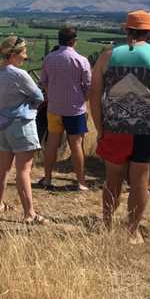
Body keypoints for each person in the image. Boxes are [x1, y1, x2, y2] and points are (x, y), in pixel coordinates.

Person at [88, 10, 150, 243]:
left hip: (115, 128)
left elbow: (95, 94)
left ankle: (106, 223)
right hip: (148, 130)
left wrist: (100, 128)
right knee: (140, 181)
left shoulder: (107, 57)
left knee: (112, 179)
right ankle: (132, 231)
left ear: (126, 30)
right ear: (149, 32)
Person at [0, 36, 46, 223]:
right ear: (13, 54)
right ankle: (29, 213)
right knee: (24, 170)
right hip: (21, 124)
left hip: (3, 123)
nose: (25, 55)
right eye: (23, 52)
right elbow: (38, 96)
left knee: (3, 167)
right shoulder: (20, 74)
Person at [39, 26, 91, 191]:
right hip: (75, 109)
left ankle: (47, 178)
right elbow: (88, 86)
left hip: (54, 108)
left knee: (52, 143)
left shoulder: (49, 58)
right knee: (76, 144)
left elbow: (44, 81)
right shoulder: (81, 60)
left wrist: (51, 94)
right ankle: (81, 182)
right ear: (72, 41)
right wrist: (84, 98)